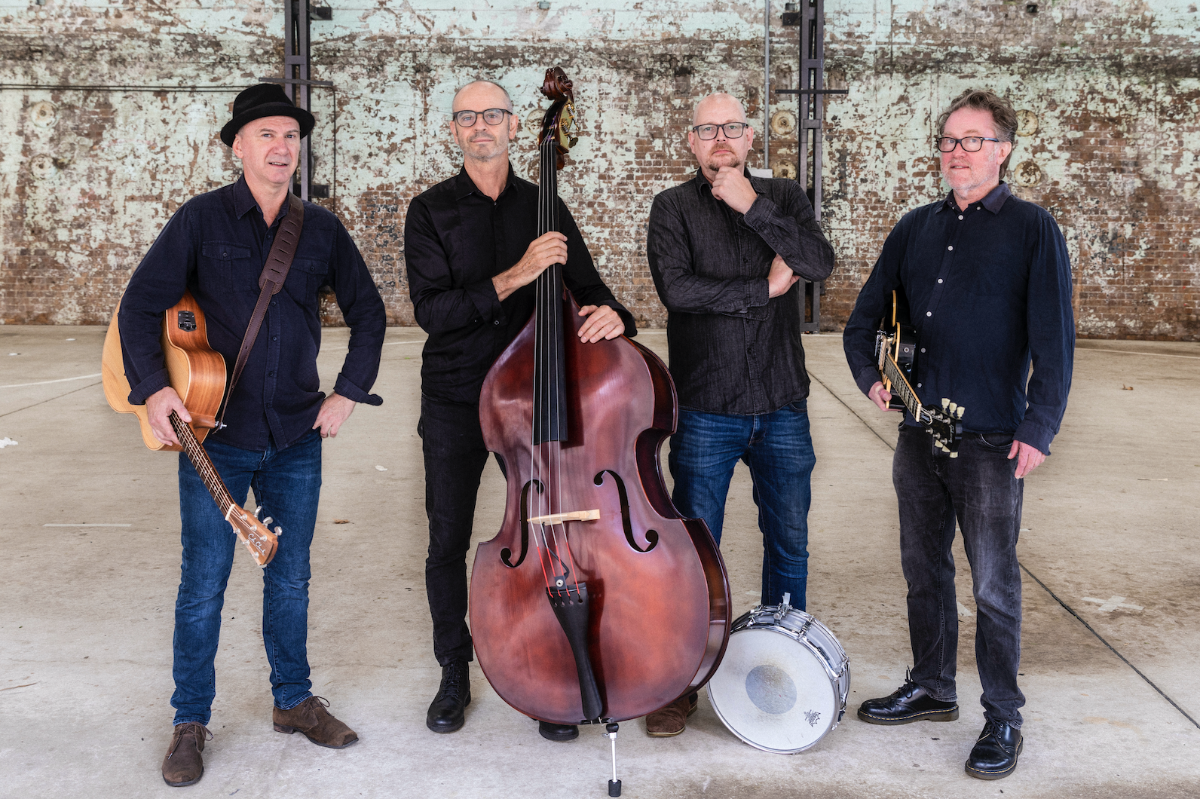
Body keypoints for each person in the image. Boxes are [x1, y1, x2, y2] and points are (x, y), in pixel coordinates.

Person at [118, 83, 386, 787]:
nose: (280, 147)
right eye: (266, 134)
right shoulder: (200, 219)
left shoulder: (320, 229)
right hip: (217, 436)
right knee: (203, 584)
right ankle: (189, 720)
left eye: (290, 136)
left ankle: (293, 700)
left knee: (290, 576)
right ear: (238, 146)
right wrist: (155, 387)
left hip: (297, 434)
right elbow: (140, 304)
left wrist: (348, 392)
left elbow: (369, 311)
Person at [842, 88, 1073, 780]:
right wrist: (873, 377)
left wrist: (1040, 426)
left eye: (972, 140)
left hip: (993, 440)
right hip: (920, 435)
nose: (957, 152)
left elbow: (1055, 342)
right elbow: (861, 323)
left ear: (1003, 149)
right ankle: (933, 687)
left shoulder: (1033, 229)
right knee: (924, 571)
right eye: (948, 141)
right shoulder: (914, 228)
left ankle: (1003, 714)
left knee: (995, 585)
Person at [404, 80, 636, 742]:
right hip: (456, 397)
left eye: (493, 115)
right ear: (454, 131)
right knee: (448, 538)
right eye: (467, 117)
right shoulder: (429, 211)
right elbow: (433, 312)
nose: (481, 125)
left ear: (512, 126)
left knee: (546, 535)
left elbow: (592, 290)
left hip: (535, 402)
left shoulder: (546, 205)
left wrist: (615, 315)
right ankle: (454, 670)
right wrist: (517, 273)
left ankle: (552, 671)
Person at [644, 92, 835, 736]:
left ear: (750, 138)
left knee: (789, 544)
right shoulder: (672, 207)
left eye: (731, 128)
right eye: (707, 129)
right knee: (694, 552)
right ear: (691, 141)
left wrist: (753, 207)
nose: (720, 138)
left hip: (782, 404)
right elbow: (678, 291)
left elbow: (818, 263)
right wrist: (765, 287)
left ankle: (784, 668)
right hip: (706, 408)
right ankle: (680, 683)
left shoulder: (783, 197)